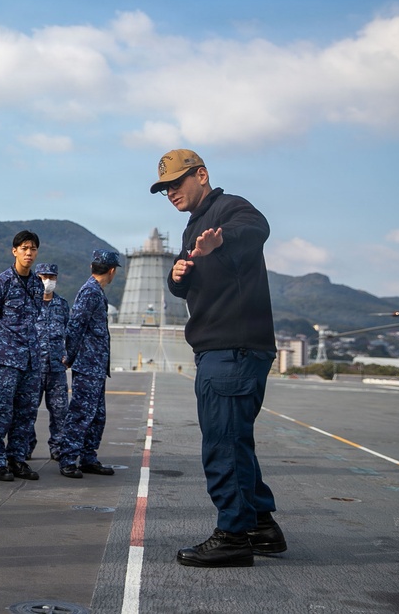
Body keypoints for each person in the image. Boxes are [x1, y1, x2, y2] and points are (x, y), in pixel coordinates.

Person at [152, 148, 285, 567]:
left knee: (221, 445)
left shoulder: (230, 209)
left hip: (232, 349)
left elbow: (256, 228)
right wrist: (177, 275)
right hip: (223, 348)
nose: (170, 192)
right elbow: (185, 282)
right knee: (235, 441)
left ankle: (232, 535)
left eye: (176, 183)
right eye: (165, 189)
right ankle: (261, 526)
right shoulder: (193, 226)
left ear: (202, 175)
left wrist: (221, 238)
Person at [0, 231, 44, 482]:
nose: (29, 253)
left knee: (26, 413)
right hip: (5, 360)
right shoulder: (2, 282)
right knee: (0, 411)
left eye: (33, 249)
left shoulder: (37, 284)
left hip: (30, 360)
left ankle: (17, 459)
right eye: (24, 248)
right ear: (14, 251)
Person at [58, 251, 120, 479]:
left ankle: (88, 458)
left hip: (96, 365)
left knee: (96, 415)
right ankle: (67, 459)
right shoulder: (90, 292)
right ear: (112, 270)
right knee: (80, 414)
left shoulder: (95, 292)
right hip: (87, 365)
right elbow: (75, 327)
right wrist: (70, 357)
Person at [31, 262, 70, 462]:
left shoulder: (62, 305)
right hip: (33, 369)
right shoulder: (29, 302)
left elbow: (70, 333)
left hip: (56, 368)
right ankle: (25, 447)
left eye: (52, 277)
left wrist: (68, 356)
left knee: (60, 412)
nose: (48, 281)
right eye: (43, 277)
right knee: (28, 411)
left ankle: (58, 447)